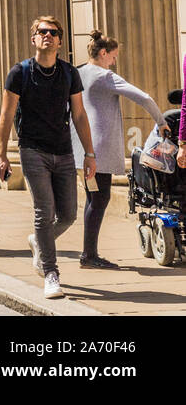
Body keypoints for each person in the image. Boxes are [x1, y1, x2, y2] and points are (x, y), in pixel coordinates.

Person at [0, 16, 96, 299]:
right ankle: (51, 273)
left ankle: (38, 242)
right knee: (44, 211)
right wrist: (0, 154)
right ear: (34, 38)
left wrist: (89, 153)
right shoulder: (20, 72)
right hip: (32, 150)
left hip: (63, 151)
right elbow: (6, 115)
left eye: (53, 32)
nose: (48, 35)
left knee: (68, 215)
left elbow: (78, 114)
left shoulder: (69, 73)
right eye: (42, 32)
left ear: (60, 41)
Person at [77, 29, 166, 270]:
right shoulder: (105, 76)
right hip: (100, 148)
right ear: (103, 53)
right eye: (114, 57)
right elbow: (143, 97)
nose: (115, 62)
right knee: (101, 197)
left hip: (83, 147)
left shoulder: (79, 73)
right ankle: (88, 255)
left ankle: (89, 253)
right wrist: (161, 121)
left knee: (92, 197)